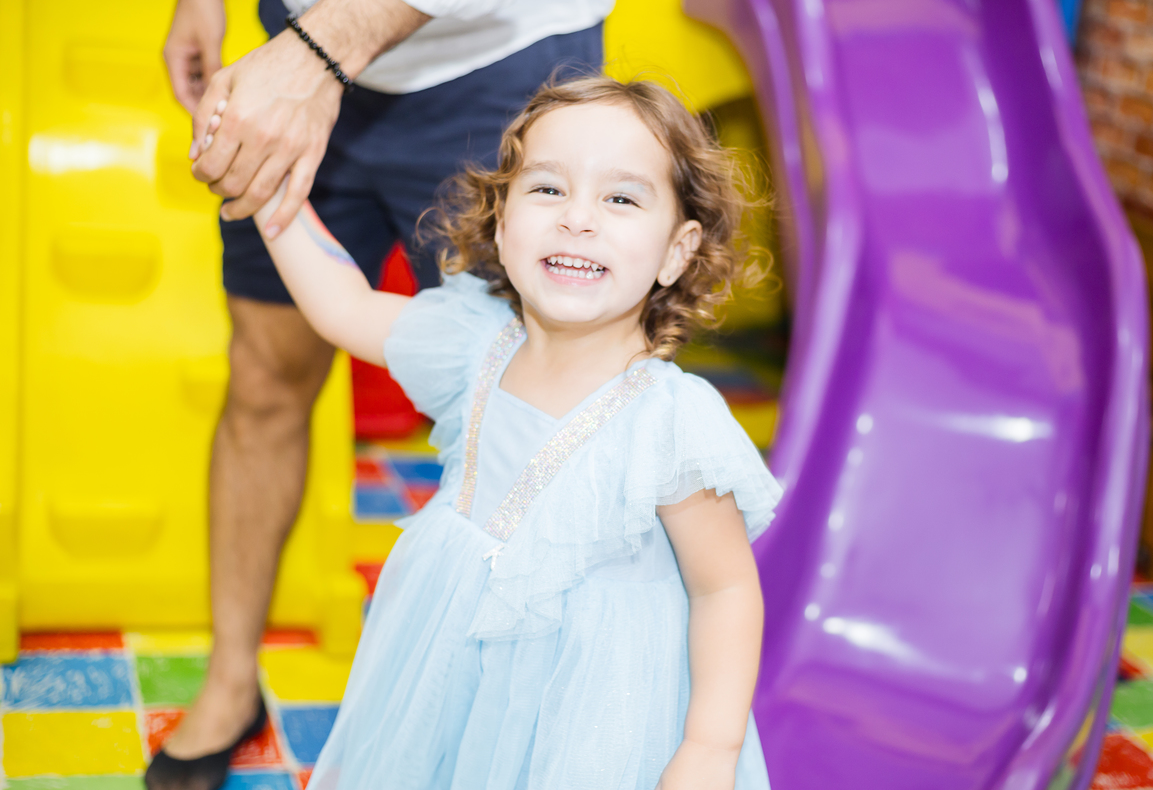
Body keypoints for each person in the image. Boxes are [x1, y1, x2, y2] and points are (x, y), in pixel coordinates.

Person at [242, 75, 782, 789]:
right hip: (455, 671)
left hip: (595, 719)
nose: (577, 219)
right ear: (501, 224)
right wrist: (272, 193)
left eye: (620, 199)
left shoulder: (670, 423)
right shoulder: (472, 346)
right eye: (548, 189)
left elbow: (724, 592)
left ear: (676, 253)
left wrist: (708, 748)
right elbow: (343, 305)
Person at [153, 0, 609, 784]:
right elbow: (343, 310)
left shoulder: (679, 431)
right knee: (263, 375)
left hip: (495, 61)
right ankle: (230, 681)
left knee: (522, 416)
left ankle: (525, 727)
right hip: (296, 50)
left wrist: (317, 54)